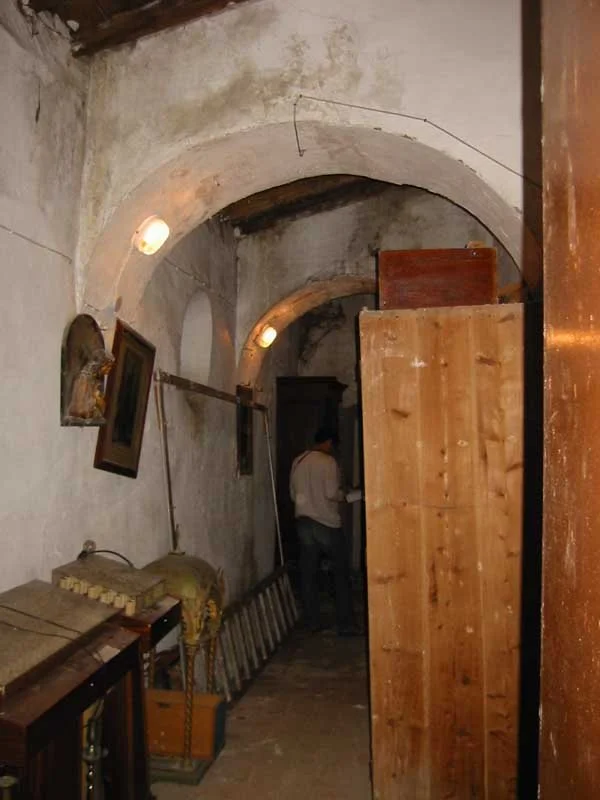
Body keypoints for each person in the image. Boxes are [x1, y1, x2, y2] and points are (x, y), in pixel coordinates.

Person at [290, 426, 356, 635]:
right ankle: (345, 624)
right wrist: (345, 494)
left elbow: (293, 494)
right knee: (340, 573)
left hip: (304, 521)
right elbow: (331, 493)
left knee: (308, 574)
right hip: (326, 523)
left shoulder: (298, 460)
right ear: (329, 442)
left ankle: (312, 621)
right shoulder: (328, 462)